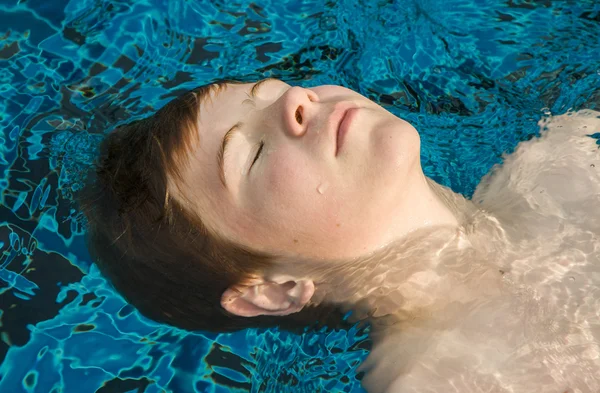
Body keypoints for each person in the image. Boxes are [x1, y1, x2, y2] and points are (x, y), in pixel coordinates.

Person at [79, 77, 600, 393]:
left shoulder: (567, 157)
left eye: (278, 91)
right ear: (274, 289)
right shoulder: (438, 382)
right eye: (252, 155)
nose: (296, 102)